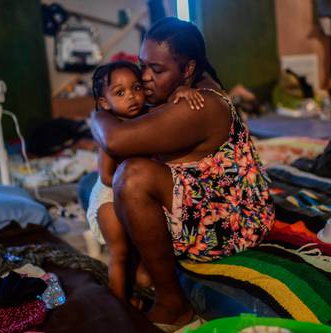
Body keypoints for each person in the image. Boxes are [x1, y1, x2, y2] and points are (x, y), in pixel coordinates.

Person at [91, 17, 275, 330]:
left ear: (188, 69)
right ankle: (144, 276)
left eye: (157, 70)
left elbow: (114, 139)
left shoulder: (199, 104)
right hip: (211, 202)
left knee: (132, 178)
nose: (144, 78)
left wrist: (97, 112)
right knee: (118, 187)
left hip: (231, 223)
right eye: (142, 65)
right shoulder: (183, 91)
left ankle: (172, 303)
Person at [86, 61, 204, 304]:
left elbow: (170, 109)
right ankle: (119, 305)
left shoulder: (147, 114)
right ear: (105, 103)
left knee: (143, 245)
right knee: (119, 253)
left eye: (136, 88)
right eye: (120, 93)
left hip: (135, 191)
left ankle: (140, 288)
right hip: (109, 195)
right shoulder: (110, 129)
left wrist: (182, 92)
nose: (132, 97)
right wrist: (131, 176)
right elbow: (107, 176)